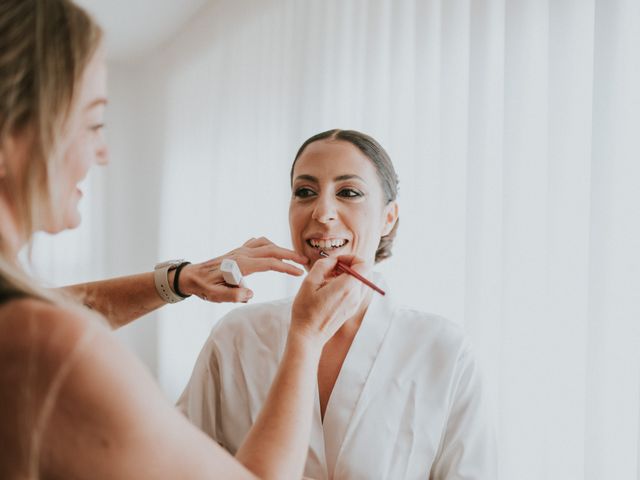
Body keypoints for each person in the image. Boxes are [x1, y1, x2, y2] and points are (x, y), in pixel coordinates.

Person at [0, 1, 371, 478]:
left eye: (350, 192)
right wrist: (304, 339)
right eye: (92, 123)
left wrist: (180, 279)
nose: (103, 151)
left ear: (389, 218)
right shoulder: (49, 347)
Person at [178, 129, 497, 479]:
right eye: (305, 192)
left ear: (388, 218)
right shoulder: (236, 337)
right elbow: (177, 465)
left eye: (348, 192)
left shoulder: (444, 350)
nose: (322, 211)